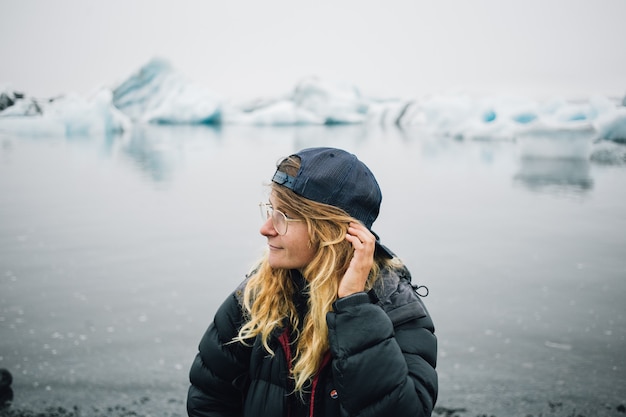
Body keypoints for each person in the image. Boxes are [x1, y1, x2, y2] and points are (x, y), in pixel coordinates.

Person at [187, 147, 437, 417]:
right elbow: (209, 401)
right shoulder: (256, 298)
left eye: (283, 216)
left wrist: (354, 309)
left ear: (330, 230)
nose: (266, 229)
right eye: (270, 210)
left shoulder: (396, 309)